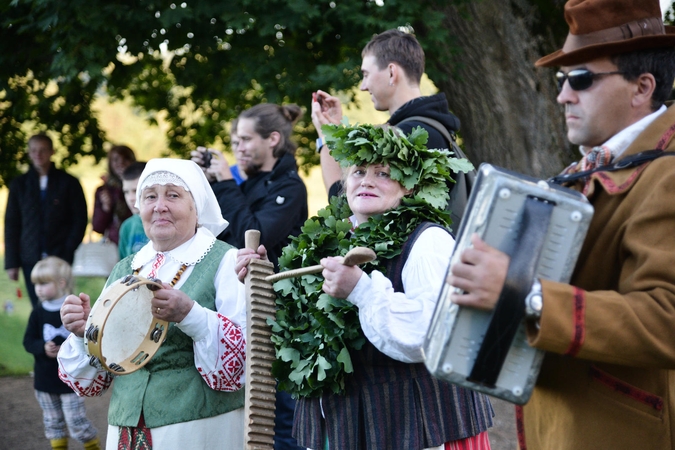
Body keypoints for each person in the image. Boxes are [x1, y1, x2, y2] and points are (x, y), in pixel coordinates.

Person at [447, 0, 675, 448]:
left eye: (581, 79)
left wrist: (522, 292)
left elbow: (666, 319)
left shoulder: (666, 174)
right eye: (561, 80)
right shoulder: (603, 162)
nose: (563, 95)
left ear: (641, 87)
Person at [237, 123, 493, 450]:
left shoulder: (428, 241)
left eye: (383, 173)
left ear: (410, 186)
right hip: (348, 426)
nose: (368, 181)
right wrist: (261, 279)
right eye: (358, 171)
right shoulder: (327, 244)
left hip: (422, 428)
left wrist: (361, 290)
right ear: (345, 184)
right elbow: (300, 330)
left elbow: (431, 335)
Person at [57, 159, 247, 449]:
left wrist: (189, 314)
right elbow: (94, 380)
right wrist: (86, 333)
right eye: (150, 196)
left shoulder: (226, 261)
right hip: (125, 425)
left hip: (196, 428)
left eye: (173, 195)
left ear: (197, 206)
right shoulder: (126, 268)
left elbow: (242, 366)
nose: (159, 206)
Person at [193, 104, 307, 450]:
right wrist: (205, 181)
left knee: (280, 417)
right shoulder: (249, 182)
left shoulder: (290, 187)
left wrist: (226, 183)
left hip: (279, 318)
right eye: (234, 140)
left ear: (273, 139)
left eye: (245, 139)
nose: (237, 147)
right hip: (238, 309)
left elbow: (252, 234)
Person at [312, 29, 471, 229]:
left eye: (366, 74)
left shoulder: (407, 138)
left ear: (391, 72)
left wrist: (326, 136)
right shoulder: (434, 128)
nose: (363, 86)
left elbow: (343, 206)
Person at [23, 256, 101, 450]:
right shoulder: (38, 312)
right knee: (53, 423)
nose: (38, 288)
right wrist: (42, 347)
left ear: (61, 283)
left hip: (71, 380)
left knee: (76, 422)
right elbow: (28, 341)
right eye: (36, 284)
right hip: (44, 381)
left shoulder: (74, 311)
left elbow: (88, 339)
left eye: (43, 283)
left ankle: (93, 446)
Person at [4, 133, 88, 308]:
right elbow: (12, 224)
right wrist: (12, 262)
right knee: (39, 307)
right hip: (29, 257)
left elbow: (79, 220)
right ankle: (42, 336)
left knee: (63, 304)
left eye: (42, 150)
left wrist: (67, 249)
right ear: (29, 153)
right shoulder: (20, 185)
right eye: (34, 150)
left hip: (60, 256)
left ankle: (66, 336)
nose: (38, 154)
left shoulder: (68, 183)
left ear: (51, 152)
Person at [92, 145, 136, 244]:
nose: (121, 163)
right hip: (114, 242)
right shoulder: (104, 190)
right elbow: (98, 227)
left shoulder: (141, 186)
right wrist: (106, 208)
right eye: (116, 160)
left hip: (137, 238)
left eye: (126, 159)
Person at [118, 162, 149, 259]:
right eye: (126, 192)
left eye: (135, 191)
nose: (130, 198)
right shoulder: (127, 226)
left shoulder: (165, 222)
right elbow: (123, 265)